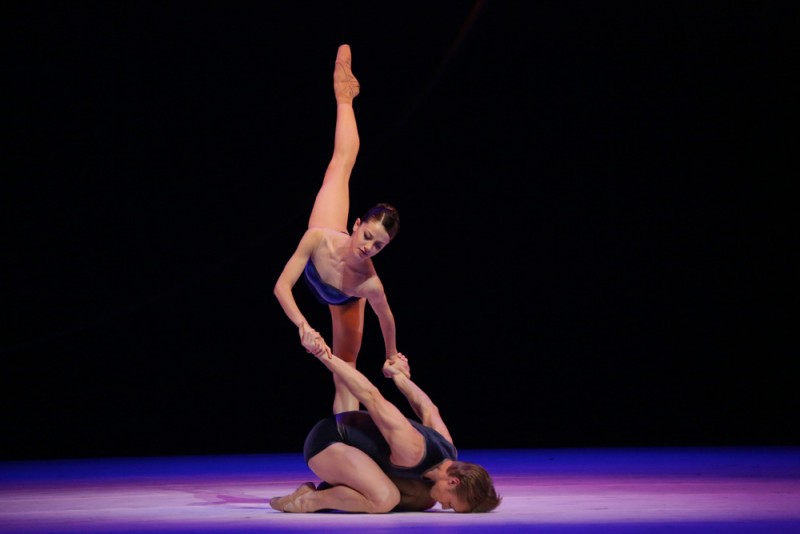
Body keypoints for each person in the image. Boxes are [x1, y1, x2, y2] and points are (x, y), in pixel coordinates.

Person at [273, 44, 403, 414]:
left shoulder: (369, 284)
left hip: (343, 300)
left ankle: (347, 441)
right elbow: (281, 286)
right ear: (357, 225)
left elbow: (387, 318)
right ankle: (345, 97)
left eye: (378, 246)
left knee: (346, 372)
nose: (368, 247)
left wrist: (392, 355)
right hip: (322, 251)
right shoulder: (321, 237)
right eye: (366, 236)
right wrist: (302, 325)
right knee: (341, 163)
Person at [269, 349, 502, 513]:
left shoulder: (448, 449)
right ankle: (306, 502)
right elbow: (370, 395)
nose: (444, 507)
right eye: (450, 504)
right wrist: (323, 354)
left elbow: (429, 408)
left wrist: (400, 378)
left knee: (423, 499)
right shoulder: (412, 449)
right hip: (329, 442)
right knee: (385, 499)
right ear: (452, 482)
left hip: (356, 455)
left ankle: (326, 491)